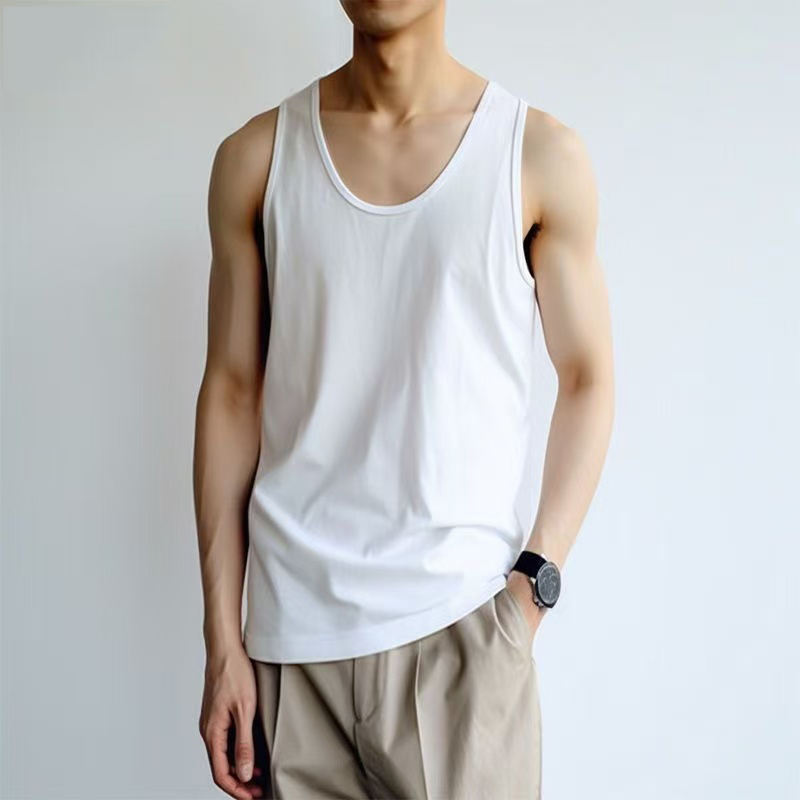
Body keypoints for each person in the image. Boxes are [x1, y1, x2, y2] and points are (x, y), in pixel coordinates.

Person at [193, 2, 614, 798]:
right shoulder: (255, 158)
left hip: (462, 639)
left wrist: (533, 587)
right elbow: (231, 392)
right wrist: (223, 641)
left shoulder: (535, 155)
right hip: (290, 652)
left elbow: (589, 377)